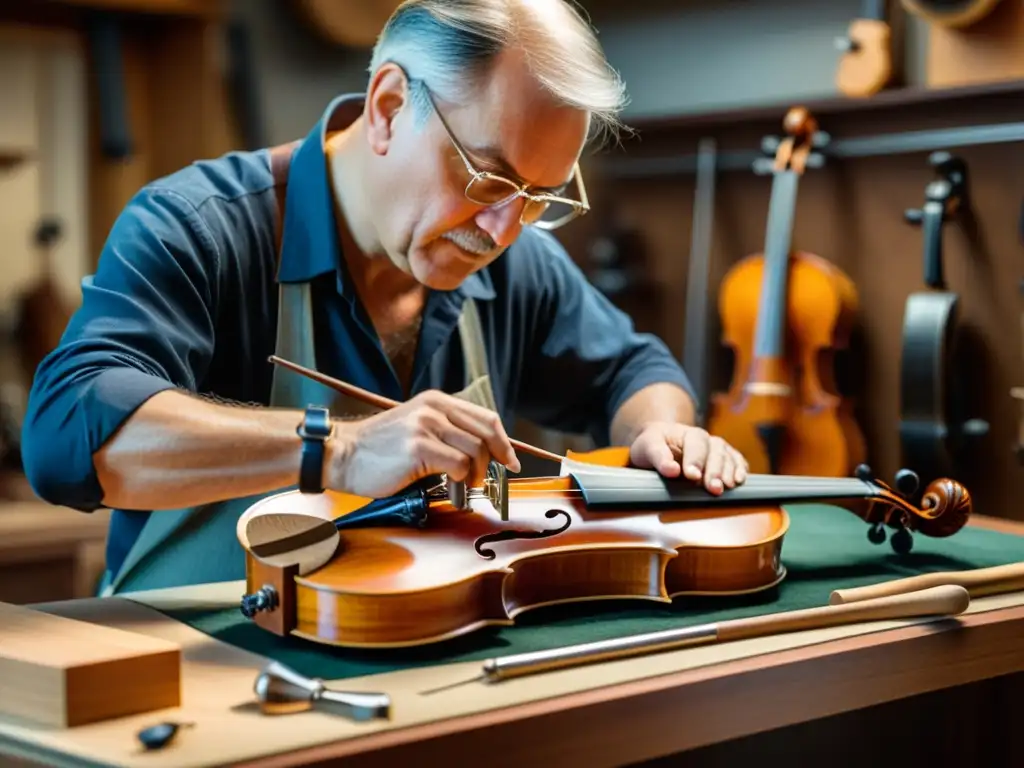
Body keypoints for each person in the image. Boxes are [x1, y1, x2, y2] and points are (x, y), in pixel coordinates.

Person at [20, 0, 749, 596]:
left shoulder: (519, 263)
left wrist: (663, 432)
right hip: (198, 675)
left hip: (425, 668)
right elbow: (64, 435)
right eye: (489, 180)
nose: (503, 228)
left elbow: (633, 369)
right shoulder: (199, 228)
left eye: (540, 196)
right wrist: (338, 448)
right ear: (390, 106)